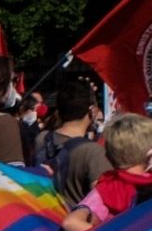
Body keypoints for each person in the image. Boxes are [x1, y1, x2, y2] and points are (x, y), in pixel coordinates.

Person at [61, 114, 152, 231]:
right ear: (150, 152)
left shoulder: (107, 188)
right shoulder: (108, 188)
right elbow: (70, 223)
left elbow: (71, 223)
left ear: (109, 155)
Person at [33, 80, 110, 208]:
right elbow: (101, 206)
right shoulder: (94, 152)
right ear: (92, 110)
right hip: (75, 224)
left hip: (44, 220)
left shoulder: (42, 139)